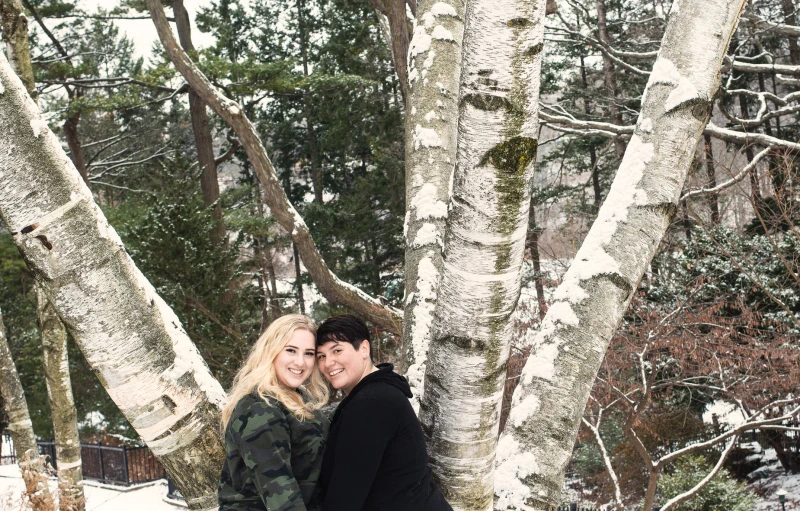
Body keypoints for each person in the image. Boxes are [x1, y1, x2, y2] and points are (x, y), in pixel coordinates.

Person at [315, 314, 452, 511]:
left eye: (337, 350)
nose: (328, 363)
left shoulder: (372, 403)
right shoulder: (376, 394)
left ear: (364, 349)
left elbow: (346, 495)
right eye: (322, 356)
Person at [218, 314, 330, 511]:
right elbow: (280, 492)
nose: (300, 362)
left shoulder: (294, 398)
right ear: (272, 351)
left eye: (309, 353)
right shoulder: (259, 408)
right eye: (291, 350)